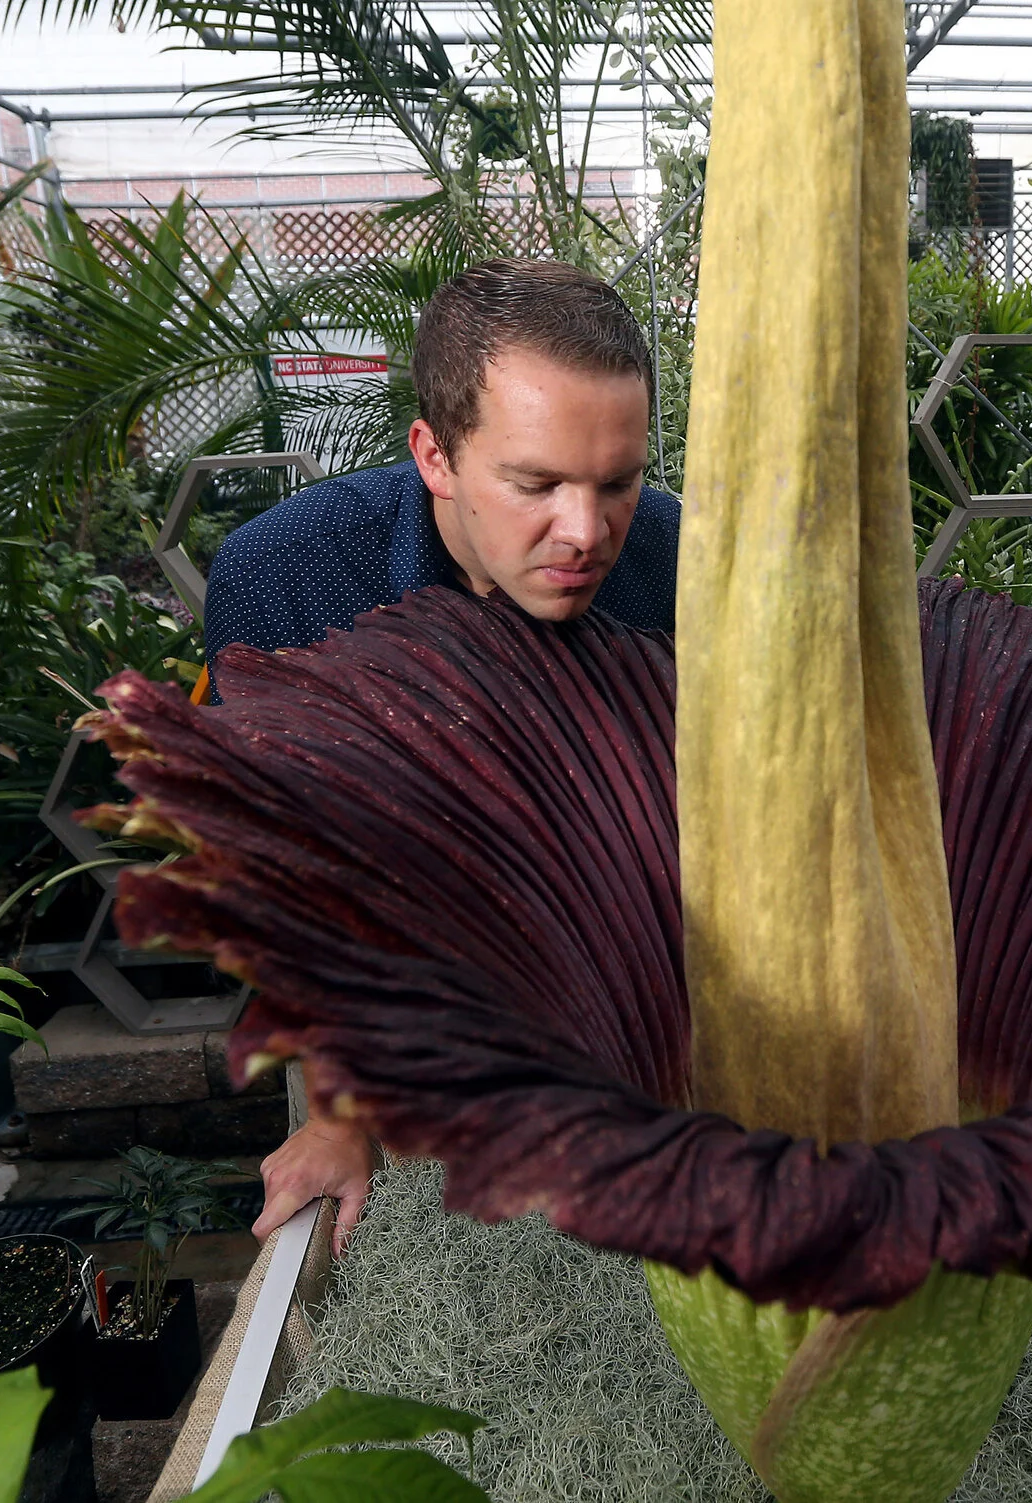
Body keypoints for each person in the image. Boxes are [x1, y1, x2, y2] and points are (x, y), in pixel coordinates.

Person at [205, 257, 679, 1254]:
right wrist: (338, 1116)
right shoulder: (284, 580)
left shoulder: (678, 564)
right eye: (535, 483)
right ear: (433, 455)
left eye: (617, 483)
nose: (586, 533)